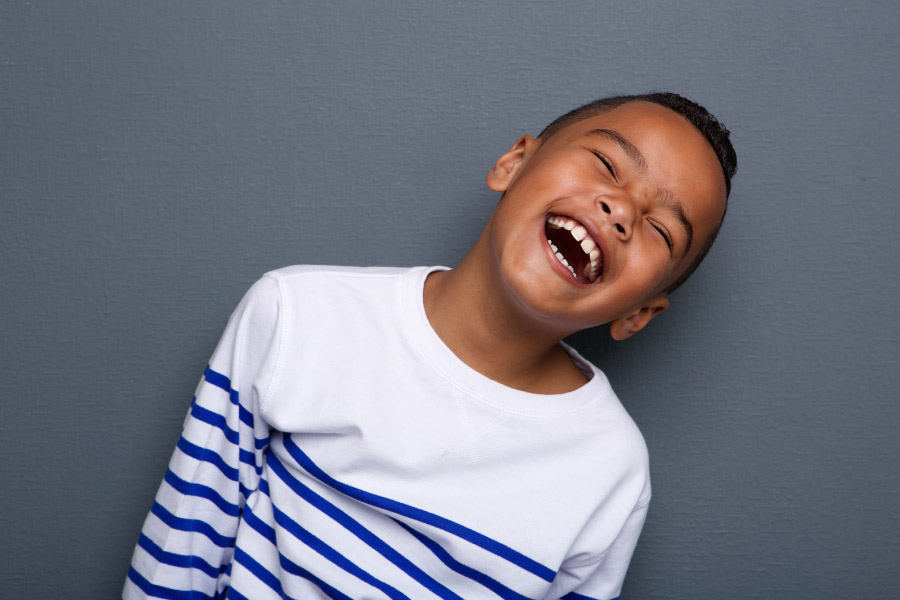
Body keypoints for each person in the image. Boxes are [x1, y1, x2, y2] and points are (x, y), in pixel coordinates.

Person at [122, 92, 737, 600]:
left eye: (659, 229)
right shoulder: (298, 315)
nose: (620, 209)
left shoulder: (612, 472)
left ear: (639, 313)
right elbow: (180, 553)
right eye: (606, 165)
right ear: (513, 163)